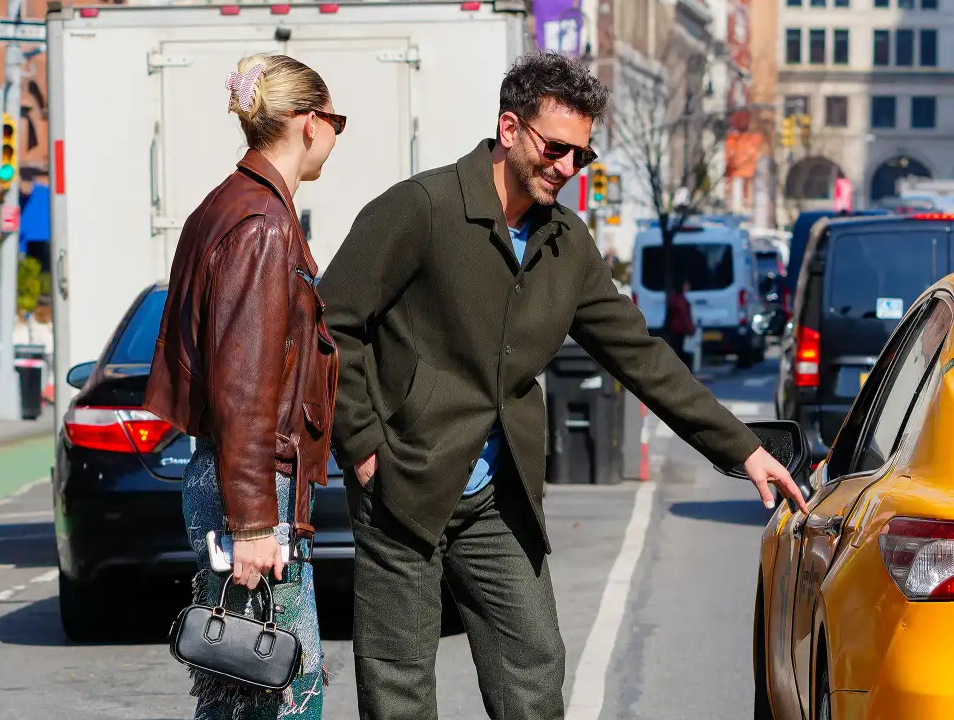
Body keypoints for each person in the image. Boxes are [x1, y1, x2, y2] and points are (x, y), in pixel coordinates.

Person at [318, 50, 808, 720]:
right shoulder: (423, 209)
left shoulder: (565, 242)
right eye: (556, 148)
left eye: (582, 154)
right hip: (402, 487)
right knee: (399, 693)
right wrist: (364, 444)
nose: (568, 168)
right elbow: (332, 323)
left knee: (535, 677)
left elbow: (640, 357)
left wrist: (745, 448)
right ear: (510, 128)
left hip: (497, 497)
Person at [143, 53, 345, 720]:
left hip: (239, 479)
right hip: (257, 489)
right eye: (335, 118)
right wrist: (256, 522)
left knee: (240, 685)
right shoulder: (262, 223)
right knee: (284, 689)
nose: (337, 134)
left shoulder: (232, 205)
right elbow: (244, 386)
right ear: (308, 123)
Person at [666, 280, 697, 370]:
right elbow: (684, 316)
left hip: (675, 329)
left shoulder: (674, 299)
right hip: (680, 329)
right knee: (682, 351)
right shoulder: (681, 301)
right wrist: (690, 329)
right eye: (686, 285)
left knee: (677, 350)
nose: (688, 286)